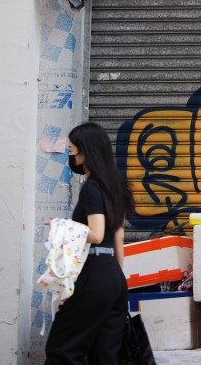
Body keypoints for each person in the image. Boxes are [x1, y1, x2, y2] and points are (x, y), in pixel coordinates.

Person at [45, 122, 135, 365]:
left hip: (93, 274)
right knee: (105, 355)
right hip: (114, 278)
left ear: (85, 153)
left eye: (72, 151)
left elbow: (96, 234)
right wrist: (117, 280)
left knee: (62, 349)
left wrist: (60, 225)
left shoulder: (92, 189)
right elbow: (118, 237)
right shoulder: (117, 188)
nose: (70, 157)